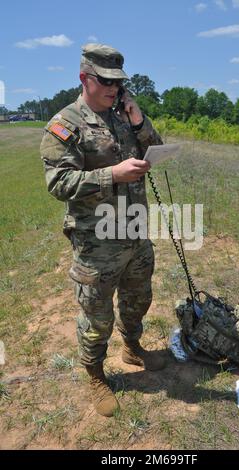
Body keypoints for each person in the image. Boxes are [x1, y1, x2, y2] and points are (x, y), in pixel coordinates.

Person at [40, 43, 165, 417]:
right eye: (105, 81)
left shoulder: (124, 117)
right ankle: (95, 374)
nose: (113, 89)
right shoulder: (65, 124)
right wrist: (112, 174)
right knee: (96, 315)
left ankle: (132, 346)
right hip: (96, 241)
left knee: (138, 298)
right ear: (84, 78)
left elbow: (155, 147)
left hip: (135, 230)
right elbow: (58, 183)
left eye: (118, 82)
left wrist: (139, 120)